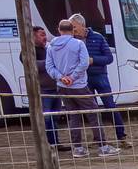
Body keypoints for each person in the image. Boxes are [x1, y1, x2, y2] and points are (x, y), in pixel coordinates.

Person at [45, 19, 119, 158]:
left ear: (59, 30)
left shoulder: (51, 46)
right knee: (93, 114)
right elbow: (84, 63)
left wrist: (61, 77)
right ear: (72, 30)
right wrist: (72, 77)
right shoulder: (78, 44)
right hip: (78, 85)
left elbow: (49, 67)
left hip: (62, 86)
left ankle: (77, 148)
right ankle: (103, 146)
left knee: (73, 115)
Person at [70, 14, 130, 148]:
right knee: (92, 110)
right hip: (83, 79)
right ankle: (99, 140)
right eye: (71, 27)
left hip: (100, 77)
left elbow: (109, 58)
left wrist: (93, 60)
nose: (72, 30)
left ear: (82, 25)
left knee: (110, 106)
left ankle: (122, 137)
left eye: (74, 27)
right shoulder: (72, 41)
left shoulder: (97, 37)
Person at [21, 26, 67, 151]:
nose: (45, 37)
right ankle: (49, 145)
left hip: (54, 88)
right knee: (46, 118)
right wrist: (50, 62)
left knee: (54, 117)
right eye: (41, 35)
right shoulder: (28, 52)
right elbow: (33, 66)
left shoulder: (47, 50)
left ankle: (55, 142)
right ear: (33, 36)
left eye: (45, 34)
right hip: (43, 90)